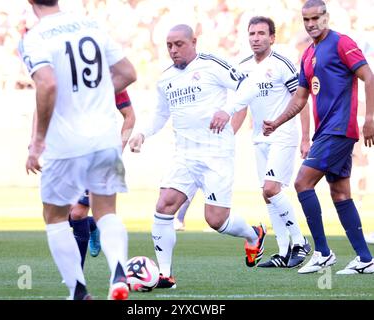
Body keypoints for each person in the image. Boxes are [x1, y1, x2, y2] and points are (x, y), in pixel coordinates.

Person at [129, 24, 266, 289]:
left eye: (178, 44)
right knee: (164, 205)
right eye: (169, 45)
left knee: (216, 220)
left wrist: (227, 110)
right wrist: (143, 133)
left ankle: (254, 235)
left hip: (216, 154)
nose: (173, 50)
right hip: (185, 155)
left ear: (193, 41)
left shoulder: (212, 65)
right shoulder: (166, 78)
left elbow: (249, 85)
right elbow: (160, 114)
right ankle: (165, 275)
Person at [20, 0, 137, 299]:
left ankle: (78, 290)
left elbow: (46, 85)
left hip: (66, 142)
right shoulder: (91, 24)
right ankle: (119, 273)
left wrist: (37, 142)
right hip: (105, 136)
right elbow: (127, 72)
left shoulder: (34, 37)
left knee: (56, 216)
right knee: (106, 211)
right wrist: (94, 95)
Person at [263, 0, 374, 274]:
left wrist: (370, 118)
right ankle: (364, 258)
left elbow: (369, 77)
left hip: (339, 130)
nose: (311, 24)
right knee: (339, 193)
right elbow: (300, 97)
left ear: (326, 16)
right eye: (306, 20)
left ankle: (323, 253)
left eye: (315, 18)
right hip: (325, 131)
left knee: (302, 183)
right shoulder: (308, 54)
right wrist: (277, 122)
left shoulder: (341, 43)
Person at [236, 16, 312, 269]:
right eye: (252, 34)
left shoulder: (282, 64)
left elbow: (301, 100)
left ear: (272, 38)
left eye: (261, 33)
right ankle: (282, 250)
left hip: (283, 135)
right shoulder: (243, 67)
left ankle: (300, 242)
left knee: (271, 189)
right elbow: (241, 107)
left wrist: (305, 137)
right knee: (267, 195)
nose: (255, 38)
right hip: (258, 138)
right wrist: (229, 135)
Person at [69, 90, 136, 266]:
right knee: (59, 215)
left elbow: (129, 116)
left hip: (99, 155)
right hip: (70, 154)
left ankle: (77, 275)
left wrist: (119, 148)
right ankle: (93, 225)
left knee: (77, 213)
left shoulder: (111, 80)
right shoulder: (67, 77)